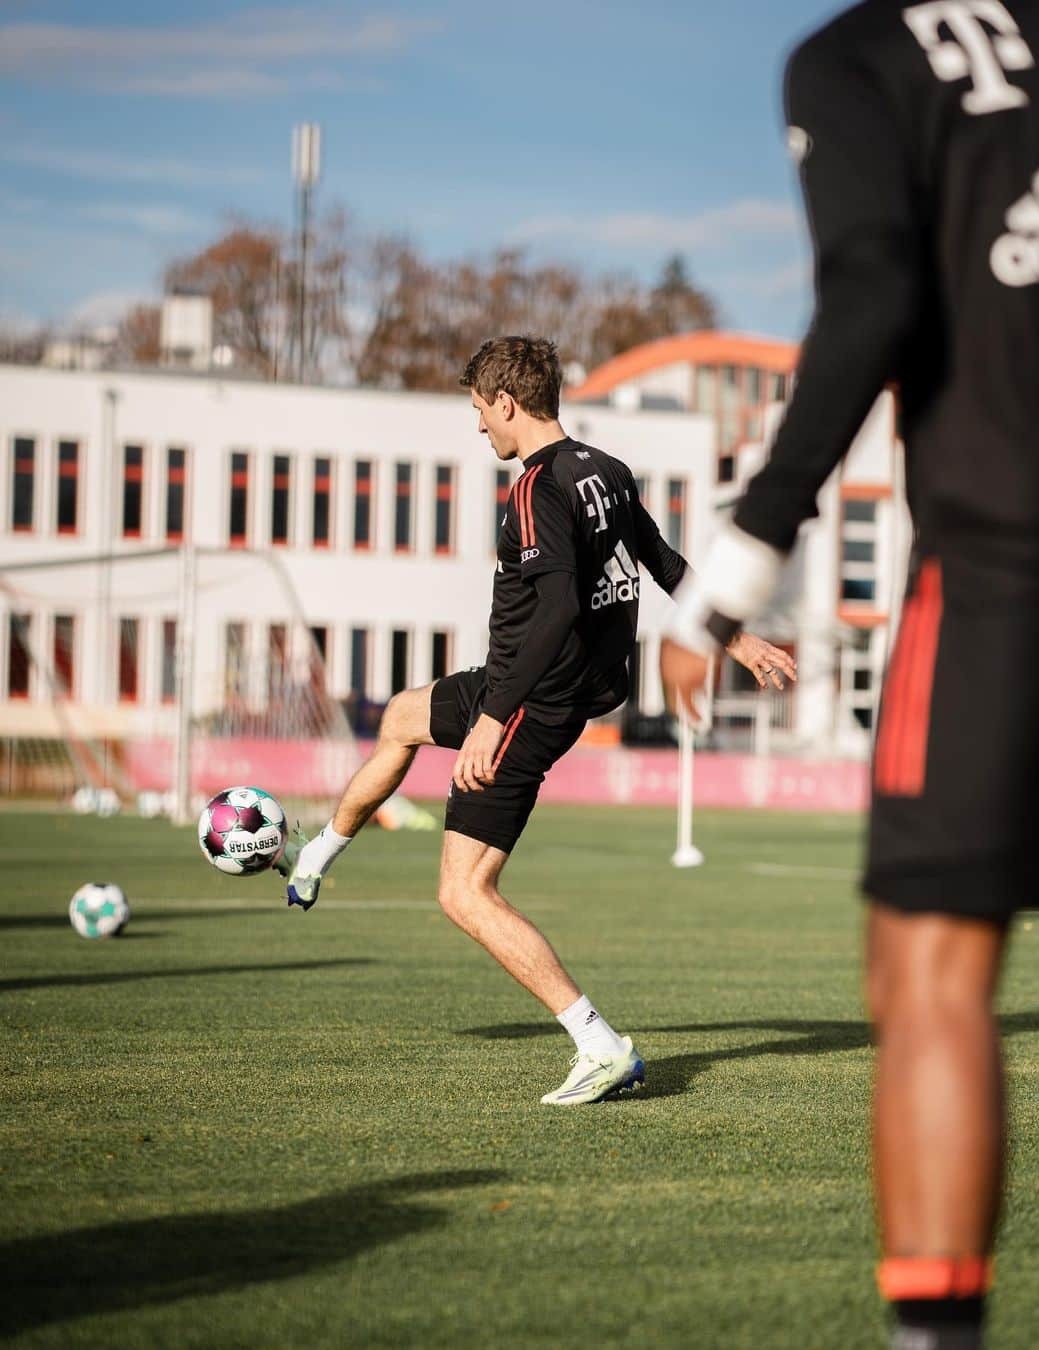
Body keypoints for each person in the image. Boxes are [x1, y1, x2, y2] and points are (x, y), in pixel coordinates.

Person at [663, 3, 1039, 1345]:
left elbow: (875, 295)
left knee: (929, 973)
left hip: (1017, 544)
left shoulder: (858, 57)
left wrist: (741, 561)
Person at [280, 334, 795, 1106]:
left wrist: (493, 718)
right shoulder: (607, 472)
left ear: (507, 403)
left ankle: (599, 1044)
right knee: (400, 718)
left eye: (480, 410)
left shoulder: (535, 489)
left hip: (531, 699)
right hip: (540, 685)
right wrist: (739, 635)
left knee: (465, 892)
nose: (478, 426)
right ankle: (318, 852)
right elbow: (662, 561)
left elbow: (555, 606)